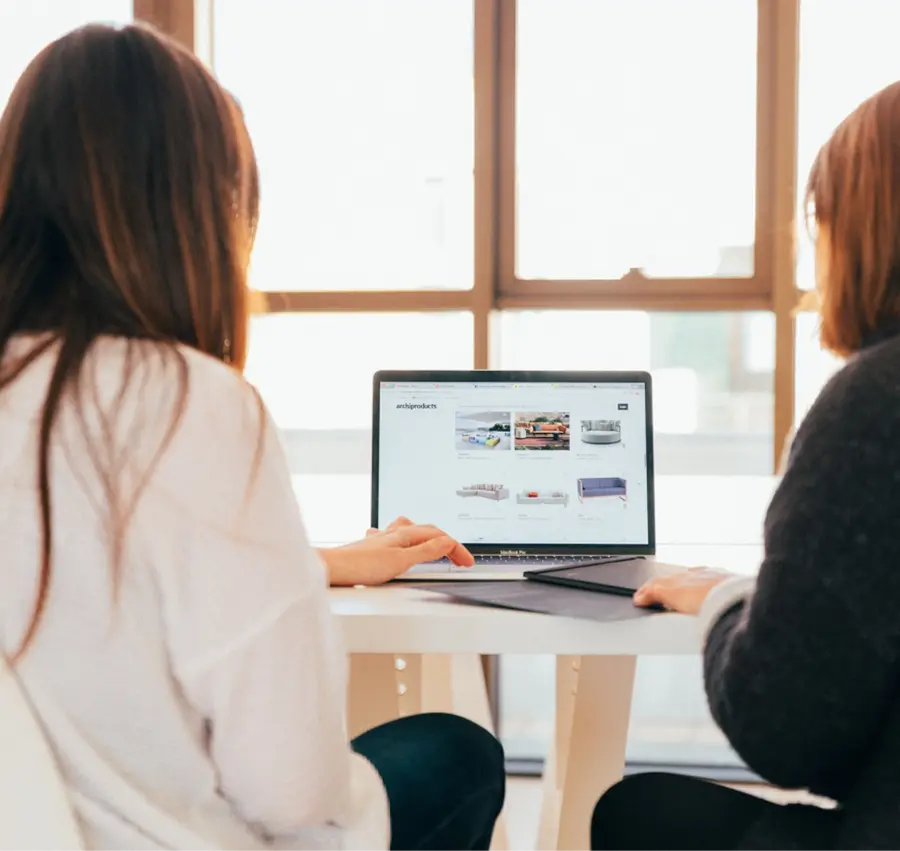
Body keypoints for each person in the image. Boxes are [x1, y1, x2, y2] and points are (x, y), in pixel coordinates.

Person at [0, 22, 504, 851]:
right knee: (457, 753)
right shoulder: (191, 407)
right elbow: (291, 789)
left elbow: (86, 590)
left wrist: (320, 565)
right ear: (199, 212)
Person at [590, 80, 900, 851]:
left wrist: (728, 603)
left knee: (633, 815)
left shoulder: (875, 403)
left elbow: (786, 732)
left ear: (861, 232)